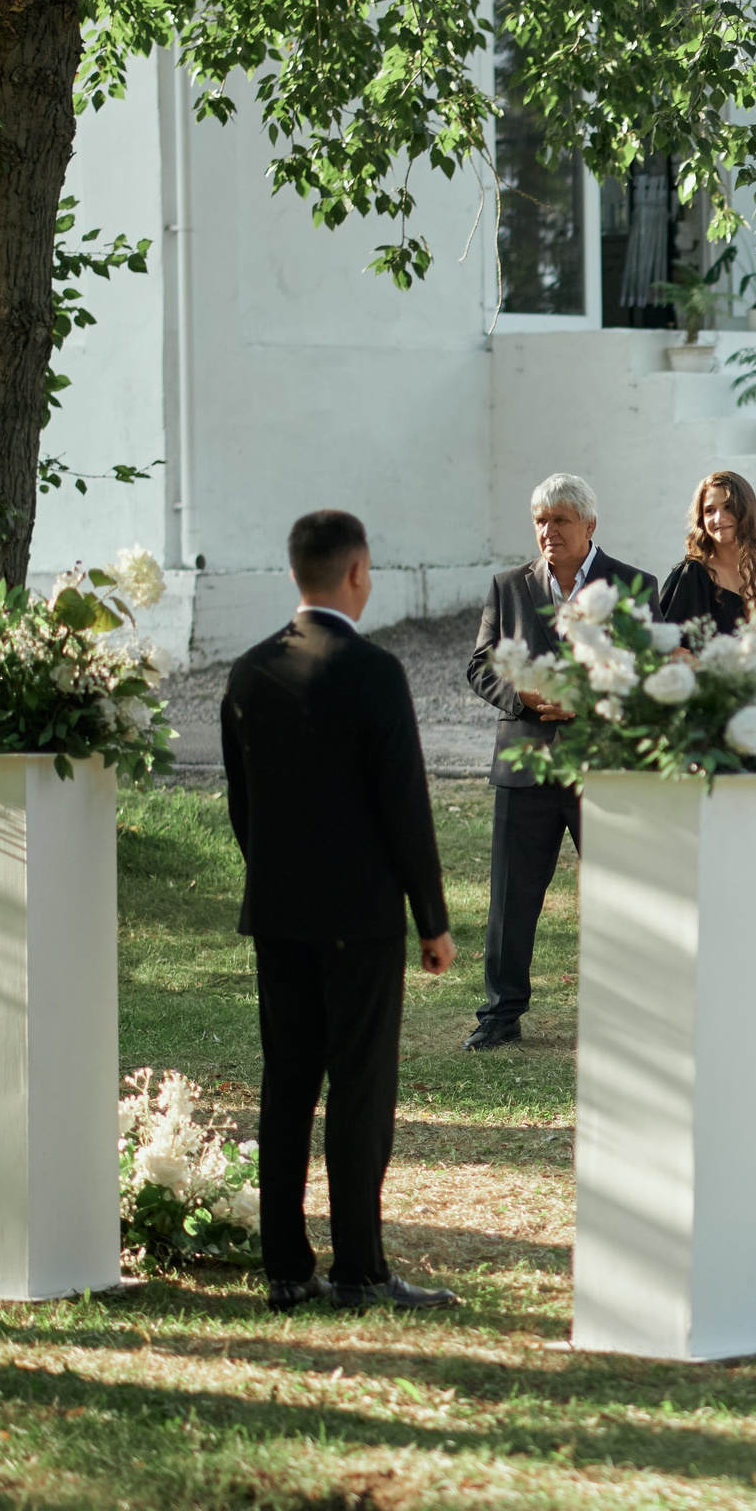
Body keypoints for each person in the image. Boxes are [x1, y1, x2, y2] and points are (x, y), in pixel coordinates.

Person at [222, 510, 458, 1312]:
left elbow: (240, 807)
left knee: (286, 1083)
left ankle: (285, 1266)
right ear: (357, 572)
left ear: (297, 574)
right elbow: (405, 804)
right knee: (360, 1087)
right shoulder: (375, 672)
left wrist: (280, 877)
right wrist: (432, 917)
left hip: (280, 911)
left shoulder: (248, 673)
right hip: (359, 916)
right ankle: (359, 1265)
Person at [463, 474, 652, 1052]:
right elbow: (480, 665)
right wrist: (521, 698)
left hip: (604, 765)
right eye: (541, 521)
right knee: (512, 898)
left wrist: (593, 697)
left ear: (590, 526)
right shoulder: (507, 586)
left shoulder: (631, 584)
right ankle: (500, 1014)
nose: (548, 531)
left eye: (561, 520)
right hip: (526, 765)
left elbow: (649, 669)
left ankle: (630, 1011)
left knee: (621, 894)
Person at [656, 470, 756, 674]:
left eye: (728, 507)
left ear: (745, 510)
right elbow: (676, 652)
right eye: (710, 510)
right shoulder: (692, 575)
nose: (719, 518)